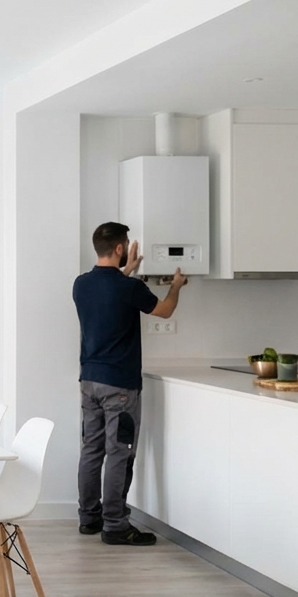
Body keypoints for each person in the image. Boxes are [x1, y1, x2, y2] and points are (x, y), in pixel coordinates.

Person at [73, 221, 185, 547]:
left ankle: (89, 518)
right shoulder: (129, 288)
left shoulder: (81, 284)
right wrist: (176, 285)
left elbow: (109, 291)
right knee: (119, 454)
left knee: (91, 451)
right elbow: (165, 310)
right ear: (120, 248)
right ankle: (115, 525)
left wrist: (129, 270)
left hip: (89, 382)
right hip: (120, 386)